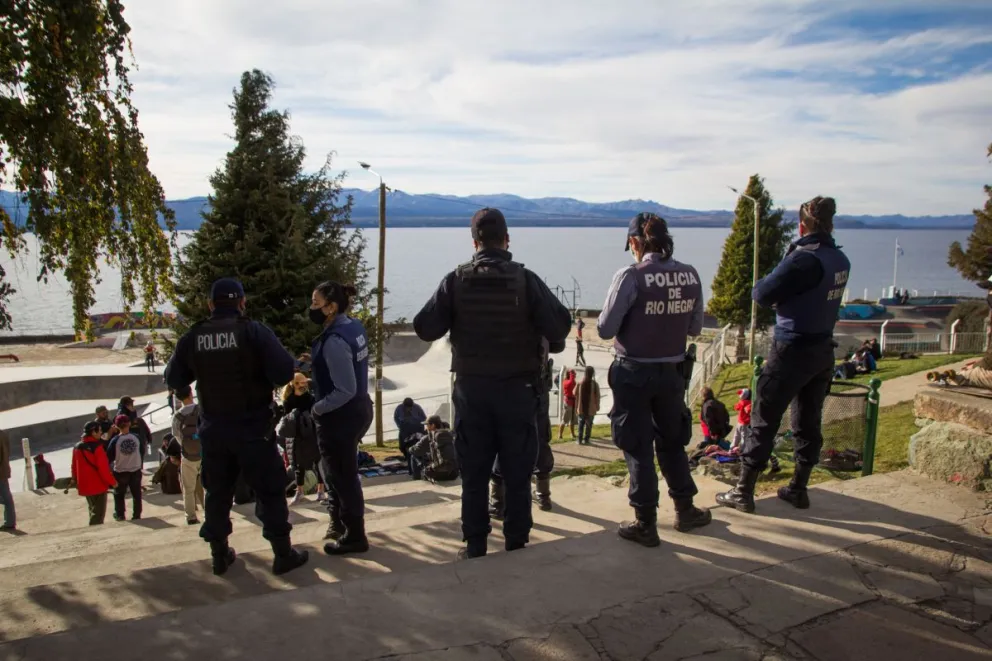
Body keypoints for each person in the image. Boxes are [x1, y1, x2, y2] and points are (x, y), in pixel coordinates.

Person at [413, 207, 571, 559]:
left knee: (474, 474)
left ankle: (475, 546)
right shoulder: (525, 279)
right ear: (507, 239)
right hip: (518, 392)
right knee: (516, 472)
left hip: (473, 393)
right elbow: (560, 327)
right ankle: (516, 543)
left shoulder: (456, 280)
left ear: (474, 242)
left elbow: (425, 327)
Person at [165, 277, 309, 576]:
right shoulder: (253, 332)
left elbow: (173, 379)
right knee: (270, 492)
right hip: (254, 430)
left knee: (217, 493)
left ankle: (219, 554)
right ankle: (282, 554)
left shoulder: (194, 337)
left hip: (215, 431)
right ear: (242, 303)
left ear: (210, 305)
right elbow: (284, 371)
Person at [716, 196, 850, 514]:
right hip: (822, 350)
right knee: (808, 420)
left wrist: (789, 255)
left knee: (763, 420)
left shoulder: (804, 259)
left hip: (791, 348)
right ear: (831, 224)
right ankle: (798, 488)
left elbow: (761, 293)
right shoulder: (840, 259)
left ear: (802, 225)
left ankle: (744, 490)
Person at [597, 212, 712, 547]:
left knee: (637, 445)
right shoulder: (690, 275)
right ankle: (685, 508)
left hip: (633, 372)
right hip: (672, 373)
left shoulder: (631, 276)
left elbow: (604, 329)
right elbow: (694, 328)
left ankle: (645, 521)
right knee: (672, 440)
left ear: (635, 243)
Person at [308, 280, 375, 555]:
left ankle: (354, 534)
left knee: (343, 476)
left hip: (341, 417)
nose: (311, 307)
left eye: (315, 303)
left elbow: (344, 389)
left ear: (331, 307)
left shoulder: (334, 340)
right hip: (360, 409)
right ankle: (343, 525)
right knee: (342, 474)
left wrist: (317, 408)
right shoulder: (353, 327)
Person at [274, 403, 325, 505]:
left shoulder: (310, 400)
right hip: (297, 437)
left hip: (308, 436)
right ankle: (303, 491)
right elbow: (283, 431)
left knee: (316, 464)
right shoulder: (288, 401)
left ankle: (319, 491)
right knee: (299, 466)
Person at [71, 422, 117, 526]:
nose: (101, 433)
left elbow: (74, 466)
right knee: (98, 515)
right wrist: (112, 482)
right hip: (98, 486)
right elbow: (103, 469)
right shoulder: (97, 448)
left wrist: (74, 480)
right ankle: (94, 535)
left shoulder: (77, 447)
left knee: (92, 510)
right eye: (99, 430)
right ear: (93, 432)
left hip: (84, 485)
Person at [172, 385, 204, 524]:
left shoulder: (178, 415)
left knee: (188, 488)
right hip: (204, 453)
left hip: (188, 454)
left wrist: (186, 446)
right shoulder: (201, 409)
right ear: (191, 394)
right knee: (207, 486)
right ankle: (209, 514)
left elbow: (176, 435)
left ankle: (190, 516)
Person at [106, 415, 143, 521]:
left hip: (120, 471)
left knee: (119, 494)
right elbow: (141, 451)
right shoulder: (136, 437)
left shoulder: (115, 440)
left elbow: (109, 457)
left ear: (116, 426)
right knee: (136, 494)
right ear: (129, 424)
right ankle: (137, 515)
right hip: (135, 469)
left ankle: (120, 514)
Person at [408, 415, 459, 482]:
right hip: (454, 473)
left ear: (433, 425)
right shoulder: (451, 434)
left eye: (427, 425)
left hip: (438, 475)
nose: (425, 428)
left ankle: (416, 479)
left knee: (413, 456)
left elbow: (416, 451)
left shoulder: (429, 437)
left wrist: (410, 449)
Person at [0, 428, 14, 531]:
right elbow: (8, 451)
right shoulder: (3, 434)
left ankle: (9, 522)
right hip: (4, 469)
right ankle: (10, 522)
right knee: (7, 497)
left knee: (6, 498)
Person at [557, 370, 577, 440]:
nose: (575, 375)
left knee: (572, 419)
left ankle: (572, 434)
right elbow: (571, 383)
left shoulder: (571, 381)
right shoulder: (566, 382)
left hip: (573, 402)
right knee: (565, 419)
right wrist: (571, 372)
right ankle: (560, 434)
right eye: (573, 374)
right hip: (568, 402)